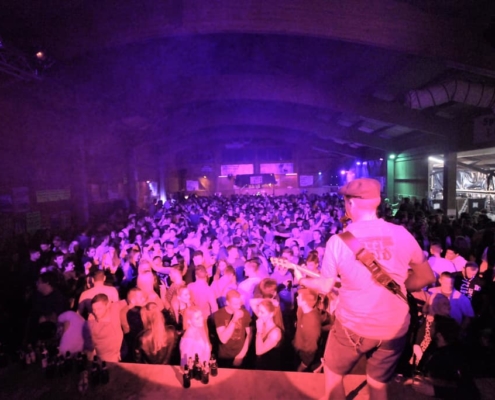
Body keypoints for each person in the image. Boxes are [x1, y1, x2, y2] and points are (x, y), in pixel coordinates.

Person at [299, 178, 435, 400]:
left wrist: (304, 281)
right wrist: (398, 287)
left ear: (351, 203)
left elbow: (325, 286)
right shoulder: (402, 233)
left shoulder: (338, 241)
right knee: (378, 384)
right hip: (394, 328)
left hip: (353, 326)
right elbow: (426, 277)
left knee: (333, 377)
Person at [213, 289, 252, 368]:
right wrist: (234, 319)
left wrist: (241, 355)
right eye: (235, 304)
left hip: (241, 354)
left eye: (239, 303)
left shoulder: (245, 313)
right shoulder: (219, 315)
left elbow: (249, 334)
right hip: (225, 356)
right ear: (227, 303)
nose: (238, 306)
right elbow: (223, 339)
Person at [254, 299, 283, 370]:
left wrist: (259, 331)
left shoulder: (275, 333)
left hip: (269, 368)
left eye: (262, 312)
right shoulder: (263, 322)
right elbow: (252, 302)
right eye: (259, 311)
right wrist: (271, 300)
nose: (259, 314)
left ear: (271, 314)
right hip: (259, 365)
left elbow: (259, 351)